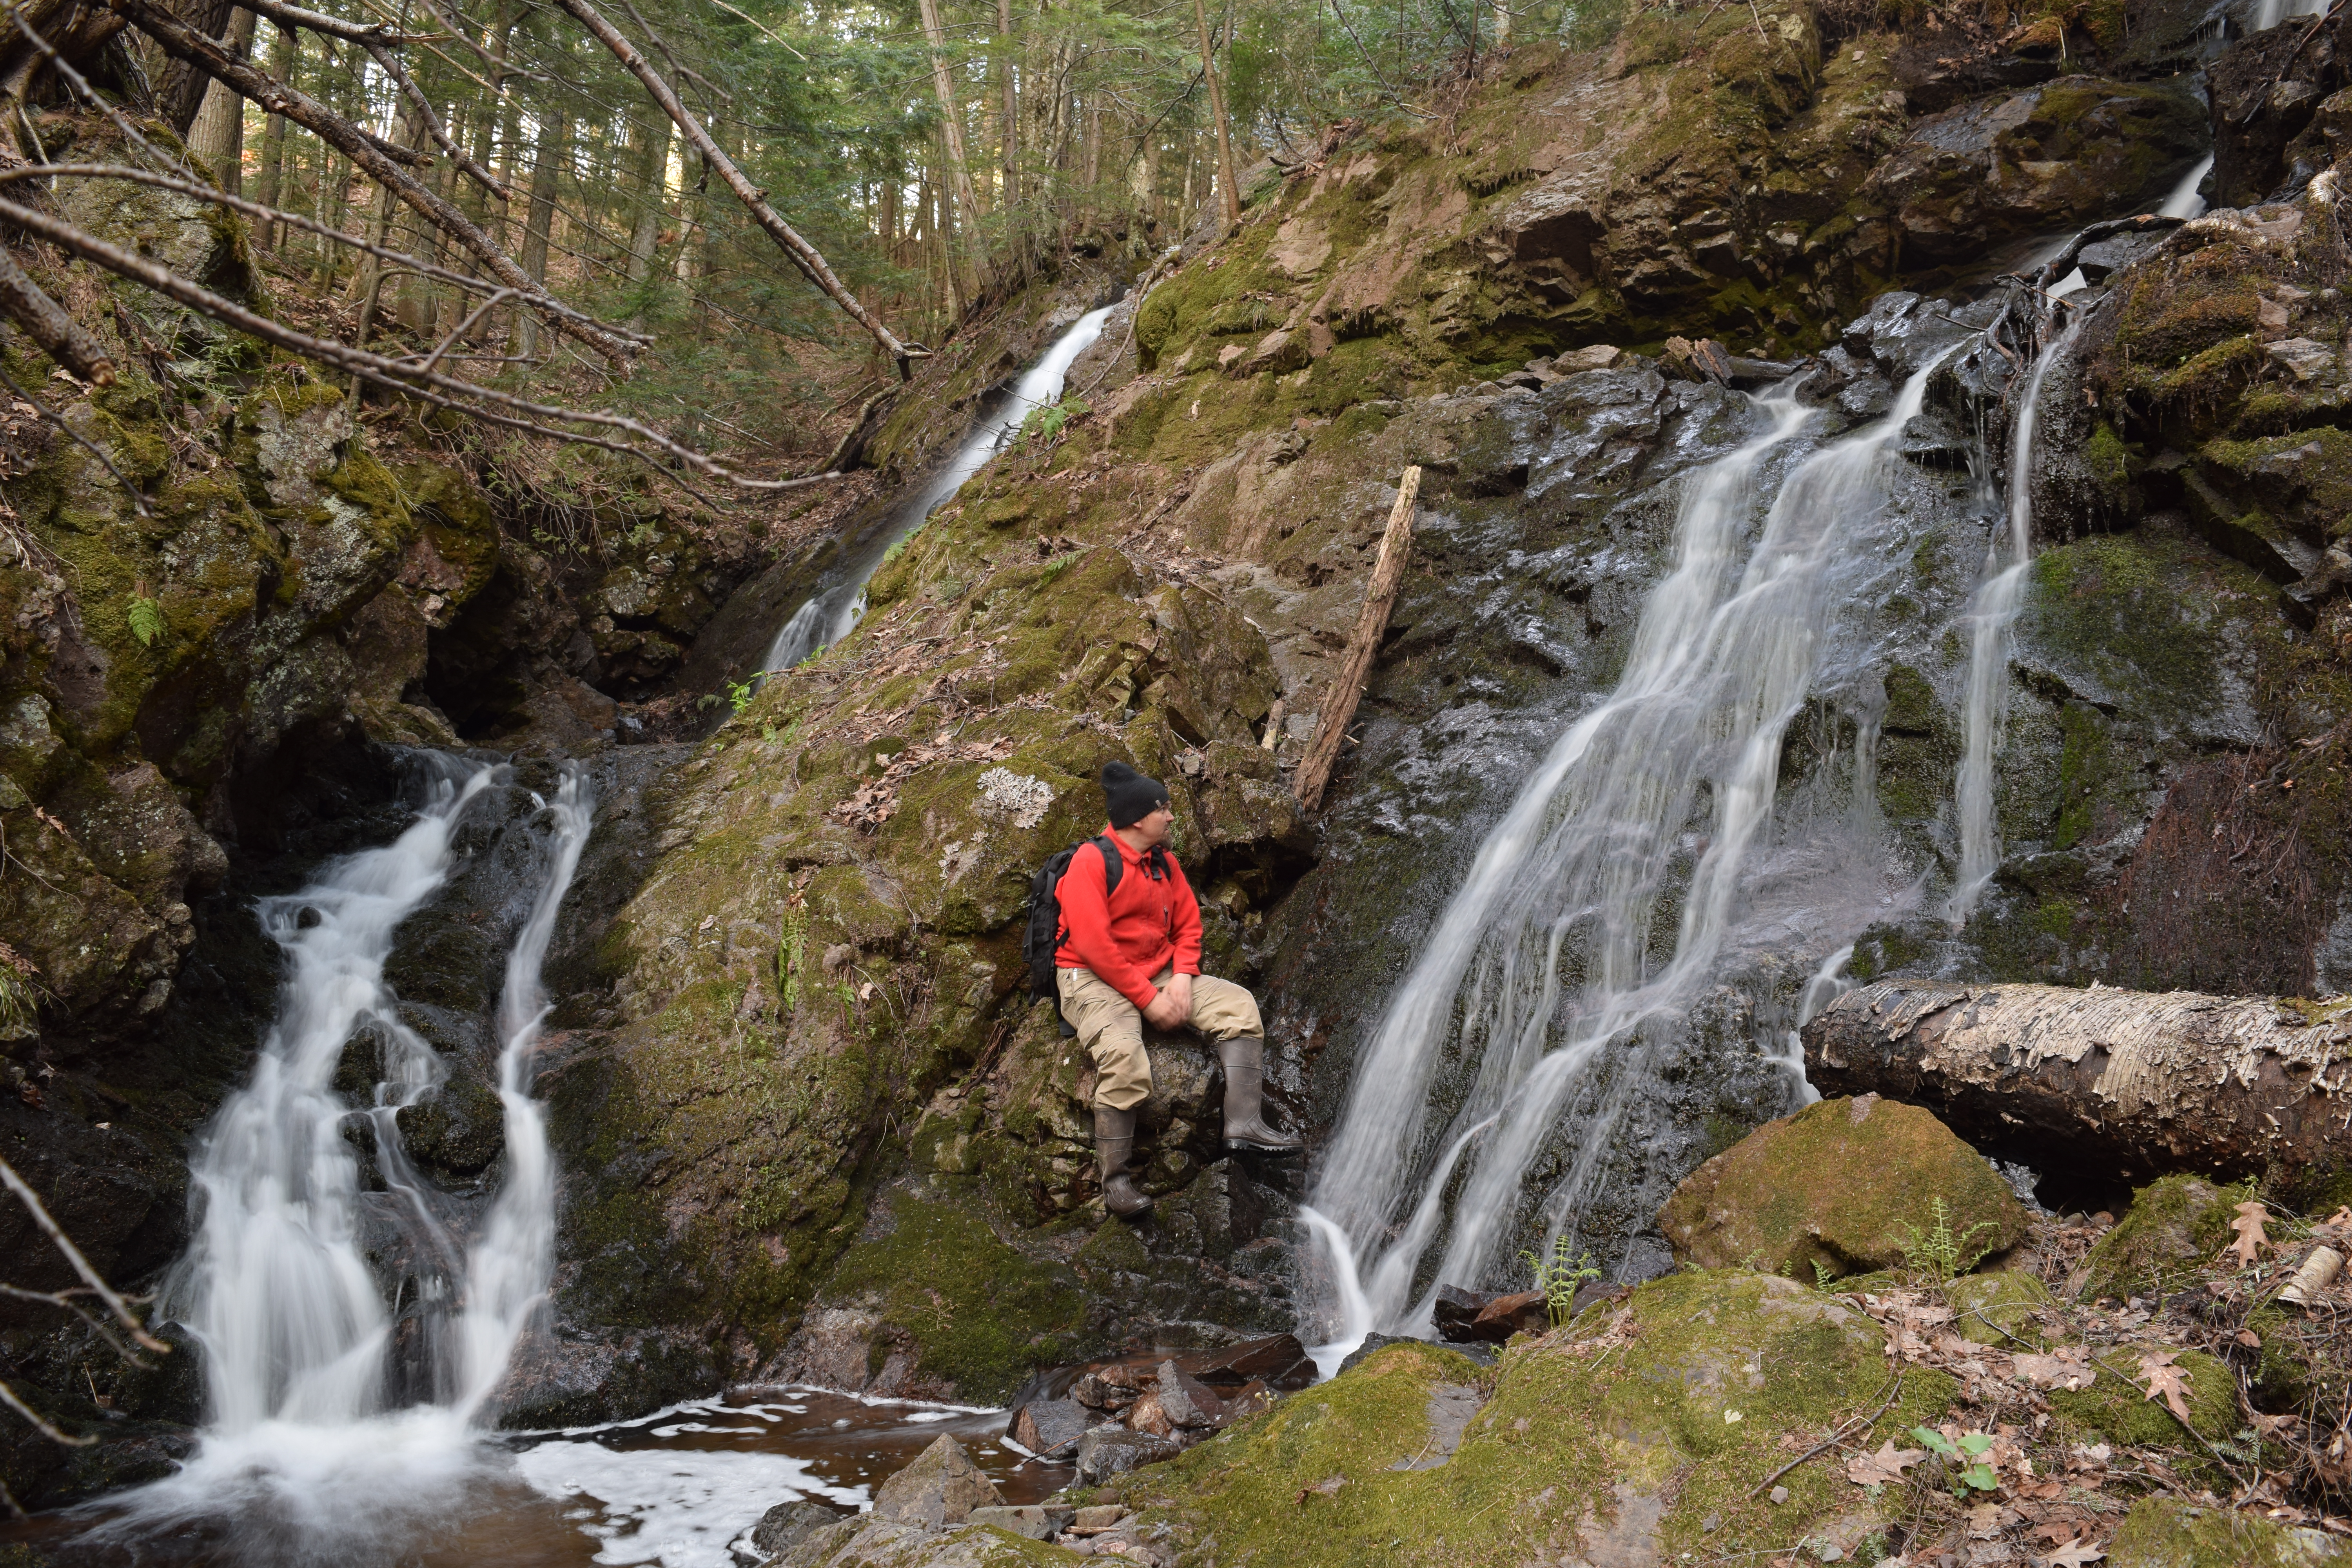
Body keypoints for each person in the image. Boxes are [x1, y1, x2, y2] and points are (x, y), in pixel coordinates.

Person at [1055, 760, 1301, 1218]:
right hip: (1090, 976)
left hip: (1160, 971)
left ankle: (1244, 1125)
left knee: (1239, 1006)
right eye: (1163, 809)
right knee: (1125, 1058)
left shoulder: (1163, 863)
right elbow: (1094, 946)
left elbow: (1189, 926)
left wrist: (1184, 978)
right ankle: (1117, 1183)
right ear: (1136, 818)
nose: (1171, 817)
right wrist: (1149, 1001)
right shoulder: (1091, 862)